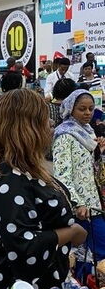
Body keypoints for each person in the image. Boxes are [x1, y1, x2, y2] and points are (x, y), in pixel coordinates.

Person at [0, 89, 87, 289]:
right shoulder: (8, 176)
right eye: (44, 119)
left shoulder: (26, 165)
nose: (51, 124)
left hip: (38, 281)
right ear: (27, 127)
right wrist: (71, 233)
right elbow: (24, 244)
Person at [53, 89, 105, 260]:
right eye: (82, 109)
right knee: (92, 252)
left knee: (93, 252)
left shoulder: (88, 131)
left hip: (94, 203)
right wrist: (77, 203)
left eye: (91, 108)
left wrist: (99, 151)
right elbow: (62, 175)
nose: (88, 113)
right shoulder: (64, 134)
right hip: (80, 207)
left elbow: (91, 168)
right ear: (70, 109)